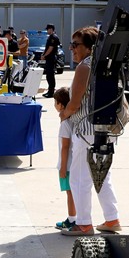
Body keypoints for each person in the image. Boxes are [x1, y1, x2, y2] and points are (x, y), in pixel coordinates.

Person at [59, 26, 121, 236]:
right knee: (103, 176)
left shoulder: (84, 67)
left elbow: (75, 103)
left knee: (79, 178)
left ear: (89, 47)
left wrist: (64, 114)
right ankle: (112, 219)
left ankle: (84, 223)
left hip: (86, 131)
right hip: (106, 129)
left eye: (76, 45)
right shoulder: (105, 65)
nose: (72, 49)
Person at [52, 87, 77, 230]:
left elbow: (65, 147)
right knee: (72, 192)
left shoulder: (65, 124)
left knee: (70, 193)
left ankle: (72, 219)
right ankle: (74, 217)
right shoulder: (72, 120)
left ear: (61, 105)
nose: (55, 105)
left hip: (67, 165)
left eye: (55, 102)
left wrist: (62, 167)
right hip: (73, 163)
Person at [42, 23, 60, 98]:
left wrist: (44, 55)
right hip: (49, 58)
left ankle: (51, 92)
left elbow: (51, 48)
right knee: (48, 76)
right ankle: (50, 91)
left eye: (48, 29)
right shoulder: (50, 37)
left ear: (51, 29)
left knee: (50, 76)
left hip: (51, 58)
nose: (47, 31)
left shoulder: (53, 37)